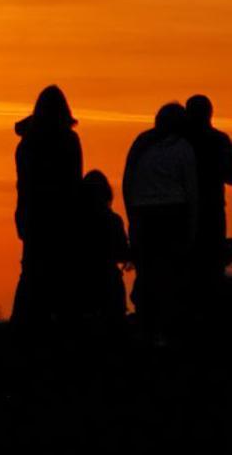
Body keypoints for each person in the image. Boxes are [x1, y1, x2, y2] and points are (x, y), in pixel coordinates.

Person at [123, 102, 198, 340]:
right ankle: (167, 330)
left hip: (143, 214)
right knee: (172, 275)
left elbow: (128, 182)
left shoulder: (141, 144)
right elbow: (191, 188)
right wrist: (192, 226)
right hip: (172, 215)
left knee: (147, 273)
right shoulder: (184, 148)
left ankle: (147, 327)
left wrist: (132, 219)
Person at [12, 85, 83, 330]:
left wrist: (21, 214)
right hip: (61, 214)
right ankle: (61, 320)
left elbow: (23, 183)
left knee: (31, 269)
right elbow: (75, 180)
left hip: (33, 214)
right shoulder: (69, 140)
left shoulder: (27, 143)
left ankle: (25, 322)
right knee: (62, 268)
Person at [184, 94, 232, 318]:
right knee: (212, 266)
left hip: (183, 213)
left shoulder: (179, 141)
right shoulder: (219, 141)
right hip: (212, 211)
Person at [77, 170, 128, 326]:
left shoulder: (75, 224)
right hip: (109, 284)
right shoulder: (114, 220)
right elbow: (123, 253)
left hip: (82, 284)